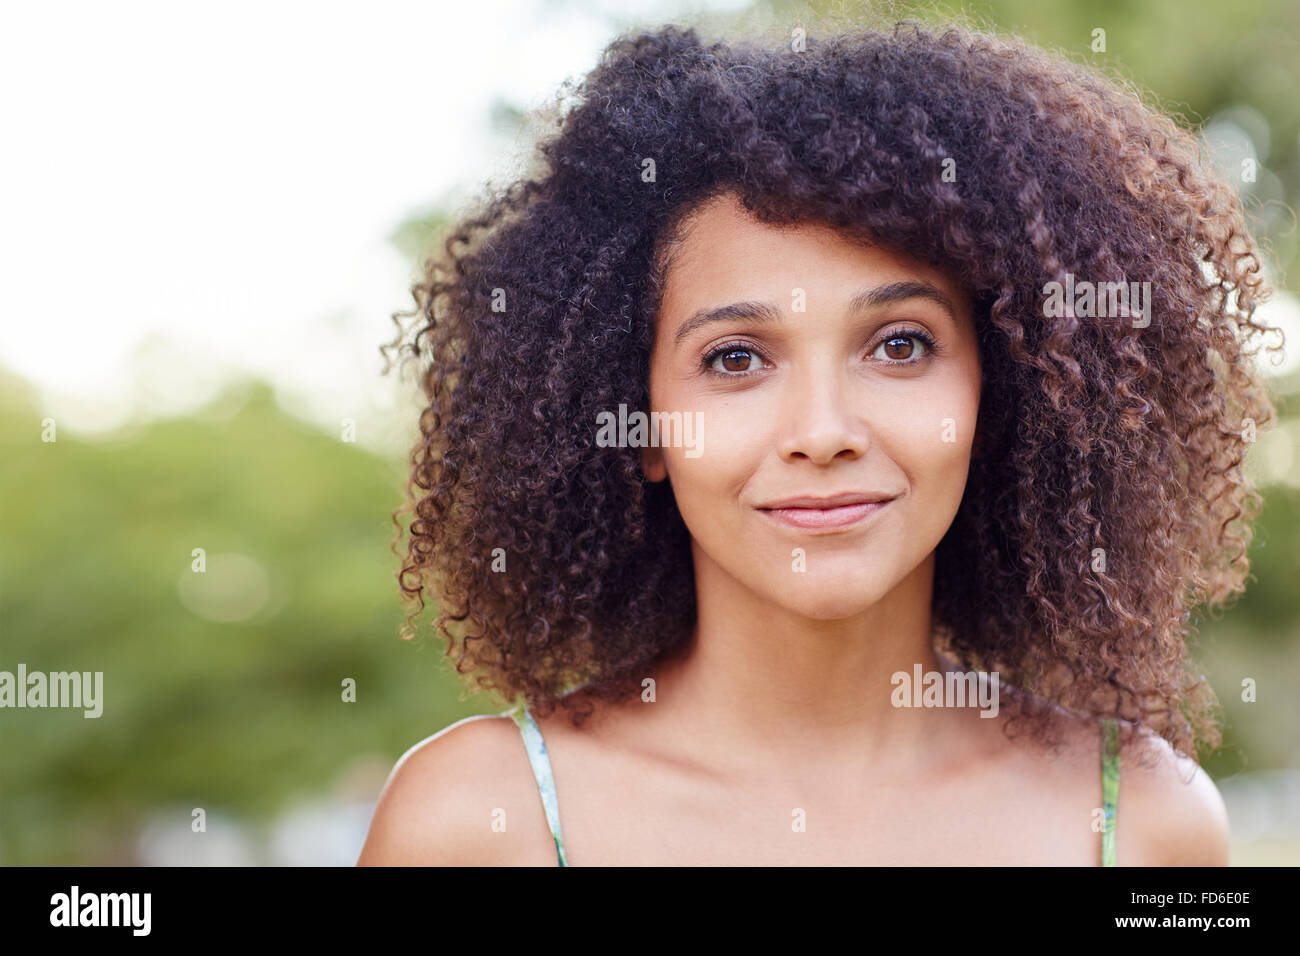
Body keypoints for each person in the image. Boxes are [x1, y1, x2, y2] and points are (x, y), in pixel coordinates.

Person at [358, 19, 1279, 866]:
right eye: (734, 359)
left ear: (1000, 393)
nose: (824, 432)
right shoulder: (475, 821)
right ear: (637, 423)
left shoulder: (1151, 824)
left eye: (900, 345)